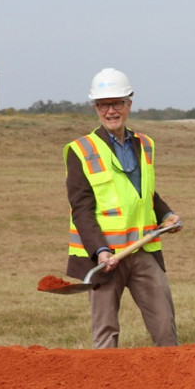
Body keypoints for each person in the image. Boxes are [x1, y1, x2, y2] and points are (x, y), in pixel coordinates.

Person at [64, 68, 181, 348]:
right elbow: (80, 208)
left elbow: (145, 193)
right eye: (104, 104)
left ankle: (173, 386)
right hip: (105, 259)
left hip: (143, 251)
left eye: (117, 103)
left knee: (166, 329)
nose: (111, 110)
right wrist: (100, 251)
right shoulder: (80, 149)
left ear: (129, 103)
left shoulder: (145, 144)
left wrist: (166, 214)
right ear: (95, 107)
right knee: (106, 334)